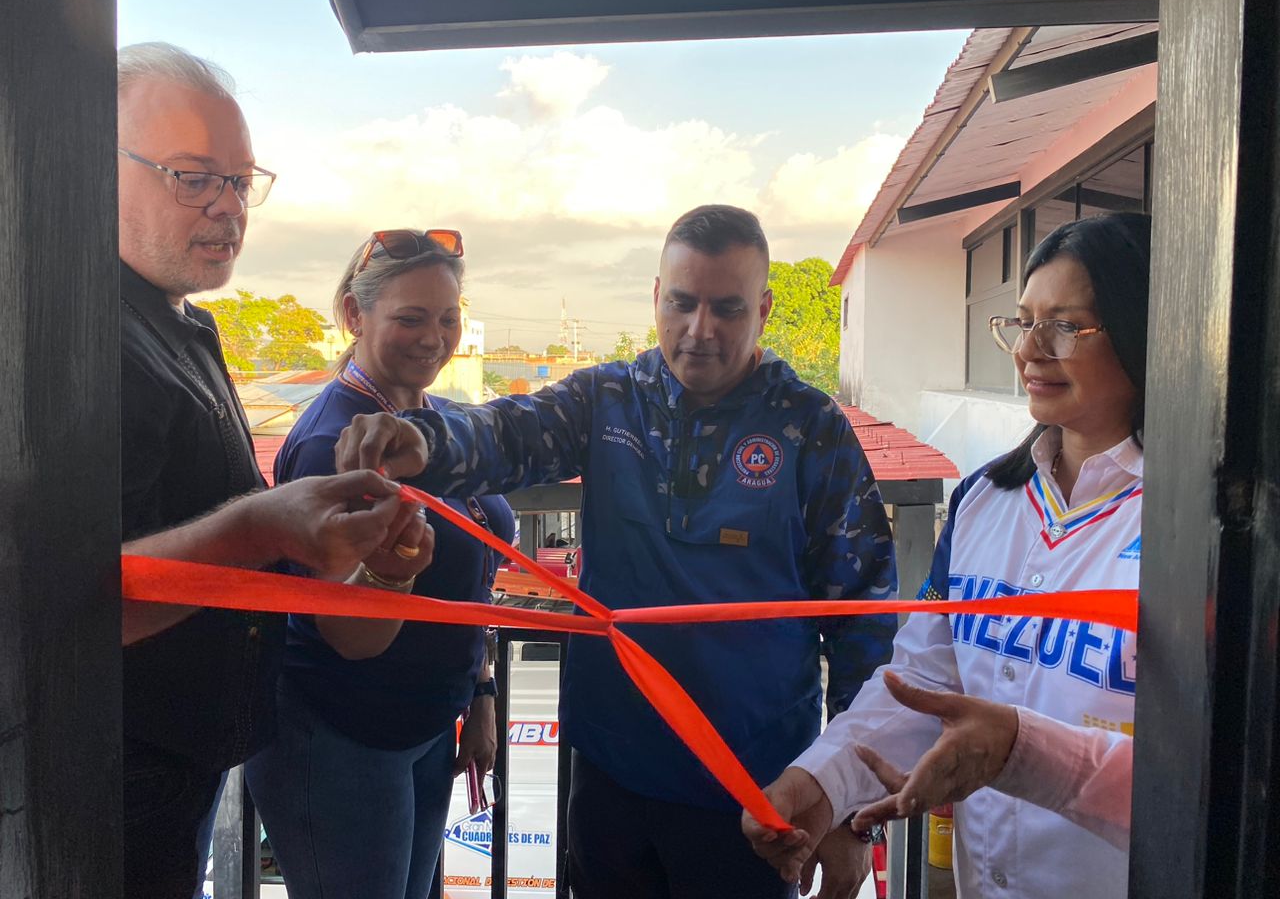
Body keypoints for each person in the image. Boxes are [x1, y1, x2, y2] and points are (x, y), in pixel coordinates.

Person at [333, 204, 898, 899]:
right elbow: (507, 433)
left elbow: (866, 622)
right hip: (611, 773)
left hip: (757, 791)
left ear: (764, 309)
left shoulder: (811, 428)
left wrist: (850, 809)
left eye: (727, 308)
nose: (700, 330)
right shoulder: (609, 399)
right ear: (657, 297)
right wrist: (422, 439)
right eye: (682, 303)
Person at [743, 212, 1151, 899]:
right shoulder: (983, 501)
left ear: (1143, 332)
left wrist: (1022, 753)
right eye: (1022, 323)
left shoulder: (1199, 526)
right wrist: (821, 783)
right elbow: (922, 681)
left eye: (1064, 325)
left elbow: (1213, 776)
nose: (1029, 351)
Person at [117, 43, 431, 898]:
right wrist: (264, 526)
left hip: (185, 763)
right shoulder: (74, 337)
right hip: (108, 783)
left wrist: (349, 553)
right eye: (193, 177)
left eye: (240, 180)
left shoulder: (183, 325)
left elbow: (217, 534)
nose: (228, 206)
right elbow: (60, 608)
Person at [245, 229, 513, 899]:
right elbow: (345, 631)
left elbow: (470, 581)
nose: (434, 338)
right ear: (354, 316)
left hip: (422, 729)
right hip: (341, 736)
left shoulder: (440, 425)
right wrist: (395, 571)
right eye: (411, 318)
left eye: (448, 318)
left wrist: (480, 695)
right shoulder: (335, 444)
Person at [848, 670, 1132, 851]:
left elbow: (1159, 795)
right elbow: (923, 673)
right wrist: (832, 794)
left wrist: (1023, 751)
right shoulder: (949, 587)